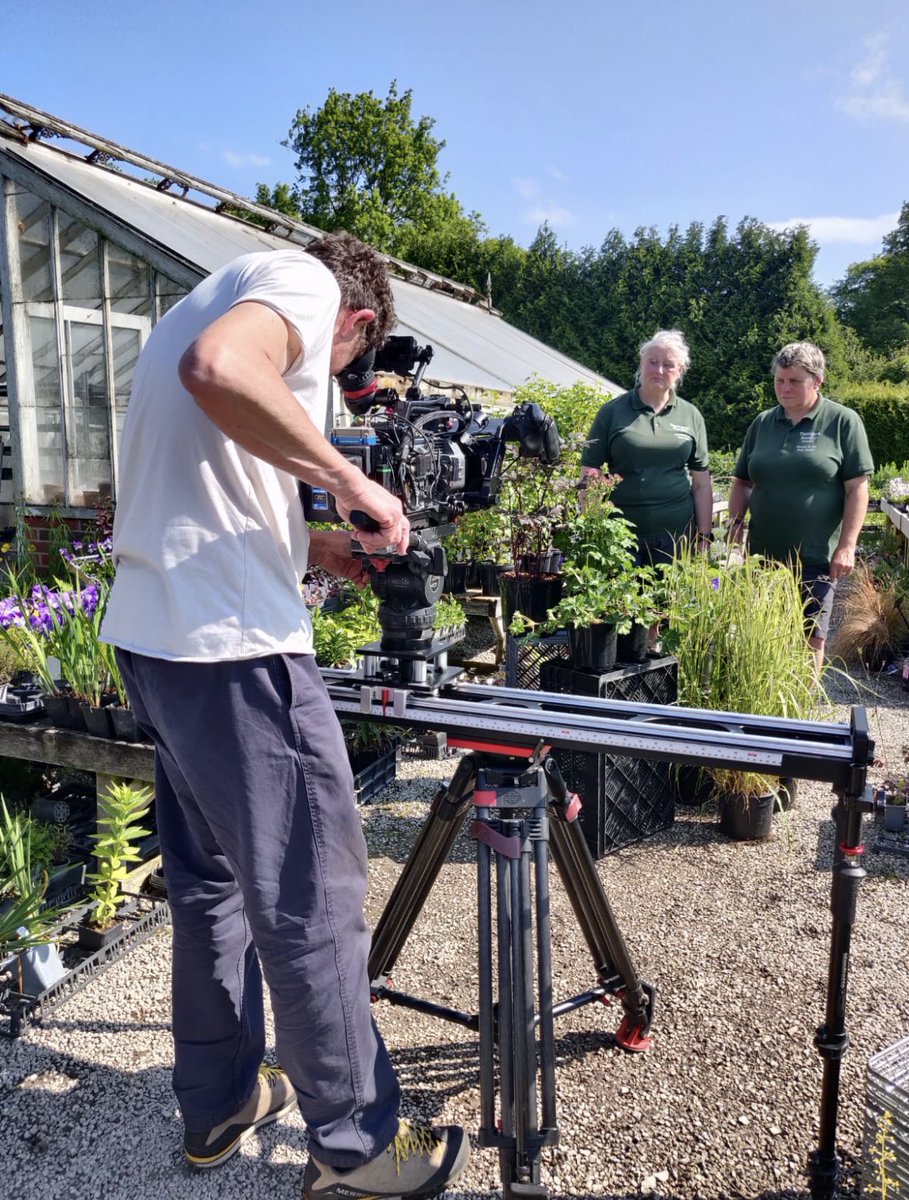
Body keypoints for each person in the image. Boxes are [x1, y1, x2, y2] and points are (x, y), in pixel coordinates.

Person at [100, 233, 469, 1200]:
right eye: (352, 363)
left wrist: (311, 543)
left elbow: (207, 467)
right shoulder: (299, 285)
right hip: (232, 648)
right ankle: (355, 1150)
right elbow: (221, 373)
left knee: (213, 886)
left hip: (156, 635)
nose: (344, 388)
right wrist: (351, 483)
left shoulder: (208, 292)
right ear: (357, 324)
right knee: (312, 896)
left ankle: (219, 1100)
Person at [728, 341, 874, 673]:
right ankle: (764, 707)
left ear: (817, 381)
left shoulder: (842, 422)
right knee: (763, 632)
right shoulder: (763, 423)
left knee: (811, 636)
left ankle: (798, 714)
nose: (785, 388)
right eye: (780, 380)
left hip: (815, 557)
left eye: (794, 381)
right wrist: (735, 525)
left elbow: (857, 489)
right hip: (762, 556)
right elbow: (742, 482)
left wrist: (847, 546)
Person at [580, 329, 713, 565]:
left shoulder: (691, 415)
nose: (659, 370)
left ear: (680, 371)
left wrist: (704, 536)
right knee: (621, 602)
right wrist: (593, 530)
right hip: (621, 536)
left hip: (677, 537)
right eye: (652, 362)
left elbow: (702, 483)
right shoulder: (612, 412)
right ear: (642, 363)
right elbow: (591, 472)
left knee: (673, 601)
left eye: (668, 365)